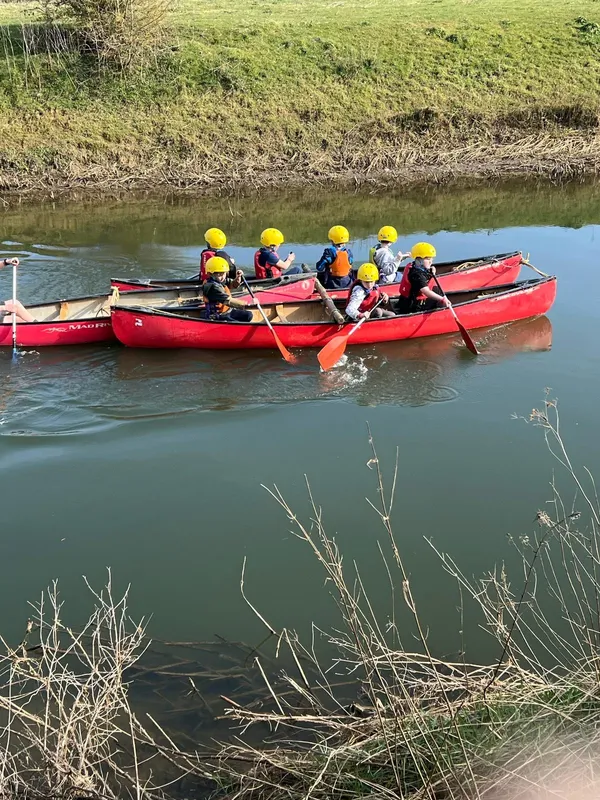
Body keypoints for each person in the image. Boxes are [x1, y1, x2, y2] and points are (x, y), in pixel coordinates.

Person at [394, 242, 451, 315]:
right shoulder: (416, 275)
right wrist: (442, 299)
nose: (431, 262)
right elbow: (426, 291)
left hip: (409, 301)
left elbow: (424, 276)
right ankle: (442, 313)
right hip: (413, 306)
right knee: (438, 297)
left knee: (437, 290)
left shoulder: (414, 266)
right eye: (428, 259)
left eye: (432, 259)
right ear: (419, 260)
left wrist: (431, 272)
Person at [202, 256, 253, 322]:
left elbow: (232, 284)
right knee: (236, 323)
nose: (222, 277)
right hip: (219, 315)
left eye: (224, 273)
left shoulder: (220, 280)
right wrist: (246, 304)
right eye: (219, 274)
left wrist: (238, 278)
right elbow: (227, 301)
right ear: (210, 274)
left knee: (248, 315)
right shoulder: (212, 287)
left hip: (228, 311)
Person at [316, 225, 354, 290]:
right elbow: (350, 263)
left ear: (332, 240)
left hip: (333, 284)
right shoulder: (349, 252)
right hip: (348, 283)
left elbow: (319, 268)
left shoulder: (329, 252)